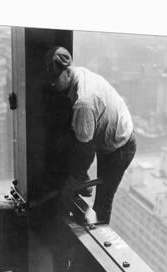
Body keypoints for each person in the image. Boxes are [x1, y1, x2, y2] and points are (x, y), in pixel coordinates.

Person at [45, 46, 136, 223]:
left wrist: (73, 181)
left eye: (55, 79)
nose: (53, 84)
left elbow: (86, 151)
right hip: (106, 136)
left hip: (120, 148)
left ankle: (100, 239)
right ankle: (82, 182)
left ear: (67, 72)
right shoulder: (79, 74)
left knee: (102, 203)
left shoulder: (84, 102)